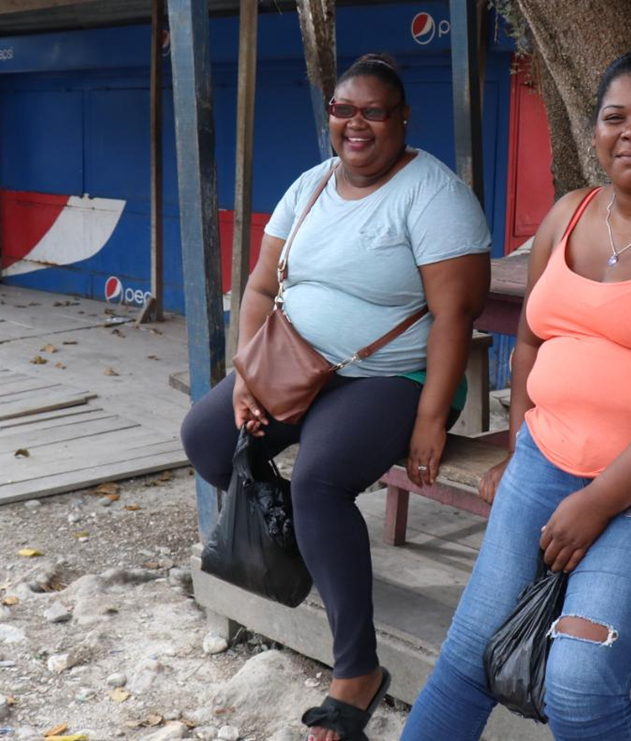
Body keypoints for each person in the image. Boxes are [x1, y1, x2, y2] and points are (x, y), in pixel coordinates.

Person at [402, 47, 631, 741]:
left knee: (578, 683)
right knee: (467, 655)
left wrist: (598, 501)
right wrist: (521, 443)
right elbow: (533, 339)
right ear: (595, 131)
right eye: (615, 117)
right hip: (551, 460)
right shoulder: (568, 215)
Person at [180, 53, 491, 741]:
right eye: (343, 109)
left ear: (403, 119)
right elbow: (261, 287)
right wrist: (248, 372)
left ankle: (357, 667)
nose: (356, 123)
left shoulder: (433, 195)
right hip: (292, 363)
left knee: (318, 481)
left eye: (373, 110)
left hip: (391, 378)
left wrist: (433, 417)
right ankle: (309, 547)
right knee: (206, 435)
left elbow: (454, 317)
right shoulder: (311, 186)